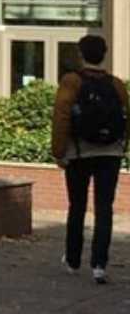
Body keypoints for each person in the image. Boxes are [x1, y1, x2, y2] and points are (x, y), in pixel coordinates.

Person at [50, 34, 129, 284]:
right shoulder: (116, 84)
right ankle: (99, 265)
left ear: (81, 54)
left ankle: (73, 261)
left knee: (77, 206)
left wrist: (59, 152)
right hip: (111, 154)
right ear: (104, 54)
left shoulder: (71, 81)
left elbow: (61, 117)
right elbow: (126, 117)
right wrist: (121, 147)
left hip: (79, 153)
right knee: (104, 208)